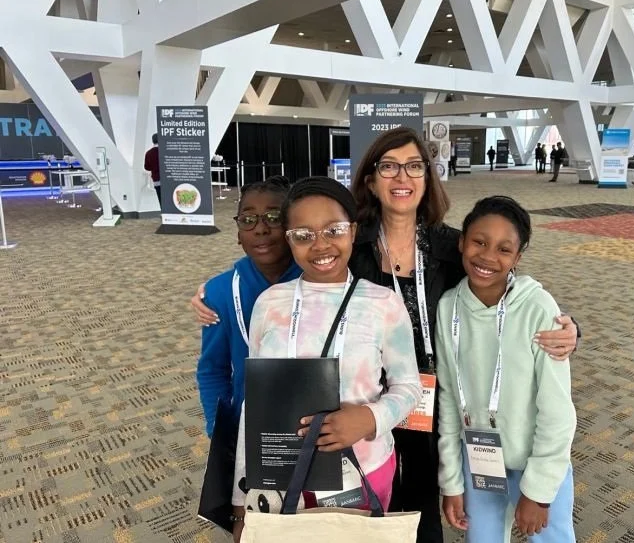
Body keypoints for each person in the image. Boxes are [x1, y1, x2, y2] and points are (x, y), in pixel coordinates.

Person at [192, 128, 580, 543]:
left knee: (424, 513)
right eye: (389, 166)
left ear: (427, 178)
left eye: (414, 166)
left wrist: (568, 326)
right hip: (359, 400)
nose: (402, 177)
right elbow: (296, 255)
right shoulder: (351, 246)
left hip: (440, 400)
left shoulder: (452, 245)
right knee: (366, 517)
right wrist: (215, 290)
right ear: (371, 180)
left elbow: (504, 283)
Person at [231, 177, 422, 541]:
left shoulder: (382, 303)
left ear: (352, 230)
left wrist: (369, 418)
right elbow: (254, 401)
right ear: (288, 238)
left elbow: (408, 386)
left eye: (333, 230)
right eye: (303, 235)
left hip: (362, 468)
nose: (320, 245)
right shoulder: (270, 304)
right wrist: (242, 495)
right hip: (281, 473)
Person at [437, 196, 576, 542]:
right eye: (479, 242)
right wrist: (452, 480)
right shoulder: (448, 308)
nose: (487, 257)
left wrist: (540, 491)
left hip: (536, 460)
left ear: (518, 257)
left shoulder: (538, 309)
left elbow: (558, 410)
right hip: (480, 461)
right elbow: (450, 402)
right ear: (461, 241)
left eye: (503, 249)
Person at [196, 177, 301, 437]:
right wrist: (218, 429)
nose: (260, 229)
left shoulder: (319, 282)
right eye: (248, 219)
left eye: (274, 218)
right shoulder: (220, 293)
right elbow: (212, 370)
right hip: (251, 426)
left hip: (314, 423)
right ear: (238, 234)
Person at [144, 133, 161, 205]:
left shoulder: (148, 153)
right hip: (168, 180)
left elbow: (146, 167)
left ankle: (163, 214)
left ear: (152, 141)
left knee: (160, 198)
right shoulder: (165, 151)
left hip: (156, 180)